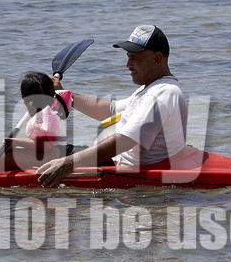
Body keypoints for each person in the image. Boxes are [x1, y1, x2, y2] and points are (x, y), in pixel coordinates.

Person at [35, 24, 193, 187]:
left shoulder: (162, 94)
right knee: (32, 151)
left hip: (122, 172)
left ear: (157, 59)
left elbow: (125, 141)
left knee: (22, 155)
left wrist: (68, 163)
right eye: (128, 57)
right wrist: (68, 96)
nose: (128, 65)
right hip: (111, 163)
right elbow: (111, 110)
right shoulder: (151, 89)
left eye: (134, 58)